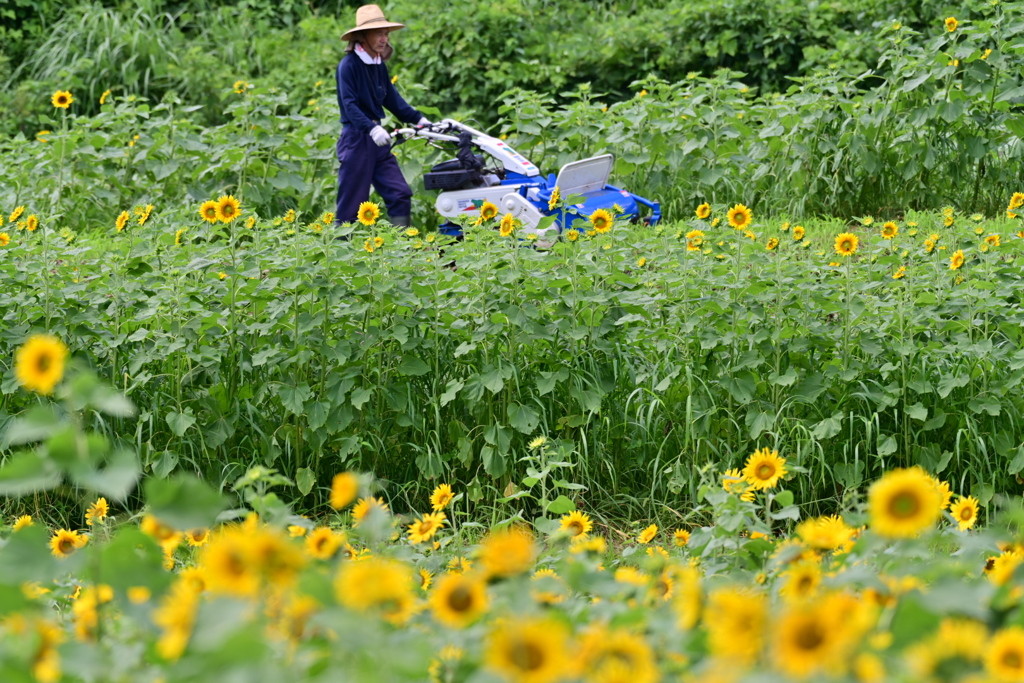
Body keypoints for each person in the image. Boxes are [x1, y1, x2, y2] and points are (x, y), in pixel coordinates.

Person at [335, 4, 429, 228]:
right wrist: (371, 128)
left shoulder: (378, 65)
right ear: (362, 36)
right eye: (378, 33)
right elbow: (349, 106)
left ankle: (402, 244)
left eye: (386, 33)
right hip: (357, 139)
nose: (384, 39)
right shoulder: (348, 66)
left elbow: (393, 100)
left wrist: (420, 120)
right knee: (351, 206)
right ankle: (340, 247)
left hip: (378, 141)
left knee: (400, 194)